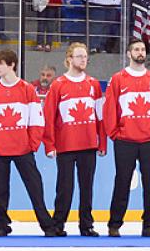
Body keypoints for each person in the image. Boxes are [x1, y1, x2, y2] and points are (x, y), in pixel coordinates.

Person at [0, 49, 57, 236]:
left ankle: (46, 224)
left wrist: (32, 144)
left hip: (23, 148)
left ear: (12, 65)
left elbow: (36, 120)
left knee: (34, 186)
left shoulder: (26, 89)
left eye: (1, 63)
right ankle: (1, 223)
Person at [103, 38, 150, 237]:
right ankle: (114, 224)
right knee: (122, 181)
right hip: (125, 140)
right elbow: (109, 109)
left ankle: (148, 224)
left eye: (143, 49)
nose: (140, 52)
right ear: (128, 53)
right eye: (136, 49)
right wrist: (115, 133)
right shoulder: (118, 79)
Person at [43, 42, 106, 237]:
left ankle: (86, 225)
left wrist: (102, 142)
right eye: (79, 56)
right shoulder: (58, 85)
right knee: (64, 188)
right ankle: (58, 223)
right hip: (66, 145)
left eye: (85, 56)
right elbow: (49, 117)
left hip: (88, 144)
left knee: (87, 188)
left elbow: (100, 115)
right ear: (69, 59)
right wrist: (49, 144)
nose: (83, 60)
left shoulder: (93, 84)